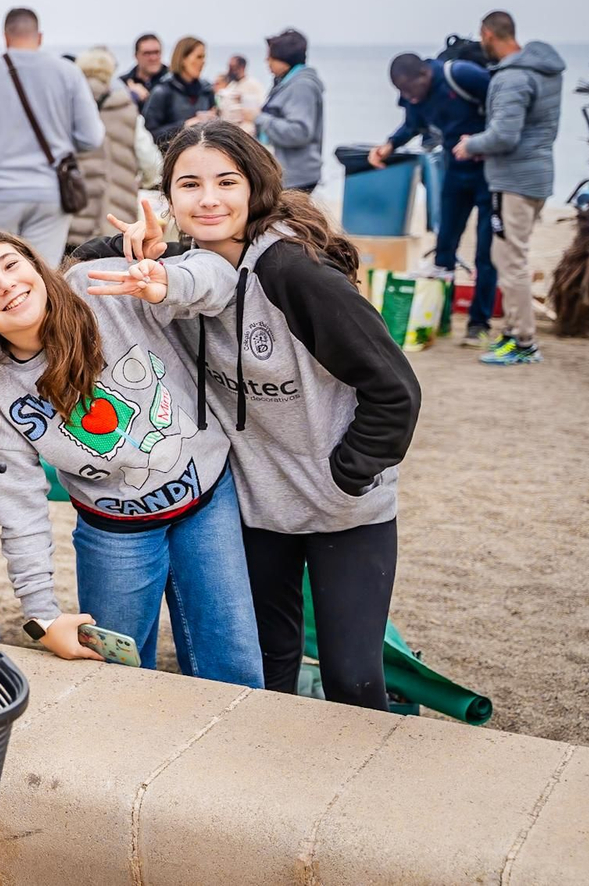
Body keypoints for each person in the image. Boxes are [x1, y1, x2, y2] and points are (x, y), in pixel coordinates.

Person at [80, 121, 421, 711]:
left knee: (353, 675)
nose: (208, 199)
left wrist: (348, 470)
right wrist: (134, 242)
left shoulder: (295, 273)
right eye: (189, 185)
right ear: (170, 199)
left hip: (343, 506)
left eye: (226, 182)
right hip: (258, 502)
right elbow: (84, 265)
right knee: (269, 661)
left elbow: (395, 388)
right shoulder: (180, 268)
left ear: (254, 186)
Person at [0, 230, 263, 684]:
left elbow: (221, 279)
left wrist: (168, 276)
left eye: (11, 265)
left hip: (206, 503)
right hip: (116, 532)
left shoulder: (99, 286)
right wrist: (42, 617)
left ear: (36, 265)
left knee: (234, 663)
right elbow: (19, 509)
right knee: (113, 677)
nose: (6, 284)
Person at [454, 11, 566, 366]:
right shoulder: (544, 70)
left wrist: (469, 145)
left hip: (513, 181)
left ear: (488, 34)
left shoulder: (512, 77)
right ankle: (515, 330)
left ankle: (523, 342)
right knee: (513, 255)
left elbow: (504, 134)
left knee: (509, 260)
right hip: (537, 177)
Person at [0, 7, 105, 264]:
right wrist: (61, 141)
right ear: (40, 37)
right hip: (50, 193)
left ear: (5, 36)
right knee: (42, 275)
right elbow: (92, 137)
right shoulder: (68, 72)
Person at [369, 52, 495, 345]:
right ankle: (440, 314)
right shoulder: (414, 97)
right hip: (455, 171)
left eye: (410, 90)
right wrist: (389, 144)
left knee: (486, 250)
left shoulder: (461, 75)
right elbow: (411, 125)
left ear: (425, 75)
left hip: (489, 171)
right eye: (402, 93)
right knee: (444, 246)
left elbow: (503, 109)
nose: (408, 98)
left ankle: (479, 322)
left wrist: (491, 143)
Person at [68, 48, 148, 250]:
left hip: (75, 219)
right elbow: (149, 161)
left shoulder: (68, 109)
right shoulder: (127, 109)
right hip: (119, 222)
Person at [248, 29, 323, 192]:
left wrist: (259, 118)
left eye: (270, 57)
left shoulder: (301, 86)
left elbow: (300, 132)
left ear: (284, 59)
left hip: (296, 177)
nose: (266, 61)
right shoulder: (286, 82)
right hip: (287, 174)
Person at [142, 36, 217, 147]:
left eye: (204, 57)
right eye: (198, 57)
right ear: (183, 59)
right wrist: (185, 126)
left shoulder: (206, 90)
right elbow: (148, 134)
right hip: (170, 157)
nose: (203, 62)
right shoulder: (162, 91)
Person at [214, 55, 266, 136]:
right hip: (230, 127)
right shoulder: (232, 85)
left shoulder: (253, 84)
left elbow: (262, 105)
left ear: (242, 67)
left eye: (233, 67)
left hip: (248, 129)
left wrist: (243, 98)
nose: (230, 71)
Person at [120, 33, 169, 109]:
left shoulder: (173, 82)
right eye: (147, 53)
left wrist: (146, 98)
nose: (153, 58)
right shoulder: (123, 83)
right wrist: (129, 95)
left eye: (156, 52)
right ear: (136, 56)